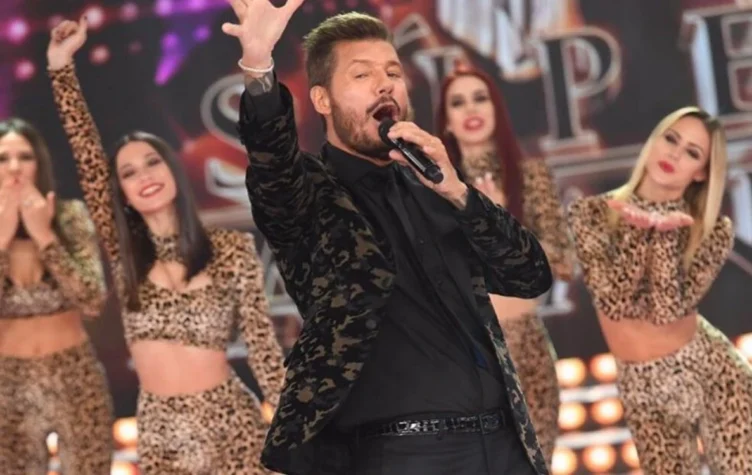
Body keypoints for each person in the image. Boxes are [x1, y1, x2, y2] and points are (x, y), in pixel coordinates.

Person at [224, 2, 553, 474]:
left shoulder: (438, 187)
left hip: (503, 445)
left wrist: (459, 193)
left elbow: (529, 275)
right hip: (399, 454)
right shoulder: (310, 194)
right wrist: (258, 67)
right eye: (362, 74)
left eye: (393, 72)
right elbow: (272, 159)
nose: (385, 84)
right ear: (322, 100)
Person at [46, 17, 285, 474]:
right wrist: (61, 68)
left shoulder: (230, 249)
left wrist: (304, 439)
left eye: (152, 163)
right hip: (161, 435)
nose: (144, 177)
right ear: (119, 192)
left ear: (173, 170)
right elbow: (88, 156)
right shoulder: (126, 256)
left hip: (233, 426)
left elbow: (264, 353)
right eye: (129, 173)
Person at [568, 106, 752, 474]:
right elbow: (614, 302)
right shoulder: (590, 213)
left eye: (692, 152)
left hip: (713, 376)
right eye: (671, 139)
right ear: (654, 141)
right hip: (642, 388)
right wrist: (640, 234)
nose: (674, 154)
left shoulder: (713, 229)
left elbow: (666, 311)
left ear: (701, 172)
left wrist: (665, 237)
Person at [436, 60, 574, 466]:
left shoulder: (530, 176)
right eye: (458, 102)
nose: (470, 109)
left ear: (497, 108)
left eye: (480, 98)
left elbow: (563, 262)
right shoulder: (432, 186)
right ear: (446, 122)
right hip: (469, 354)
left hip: (528, 347)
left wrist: (502, 223)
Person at [0, 118, 112, 473]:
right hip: (8, 383)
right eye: (3, 158)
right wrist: (2, 240)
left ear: (40, 163)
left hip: (75, 374)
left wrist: (45, 237)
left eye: (25, 156)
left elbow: (93, 299)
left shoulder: (70, 215)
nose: (14, 167)